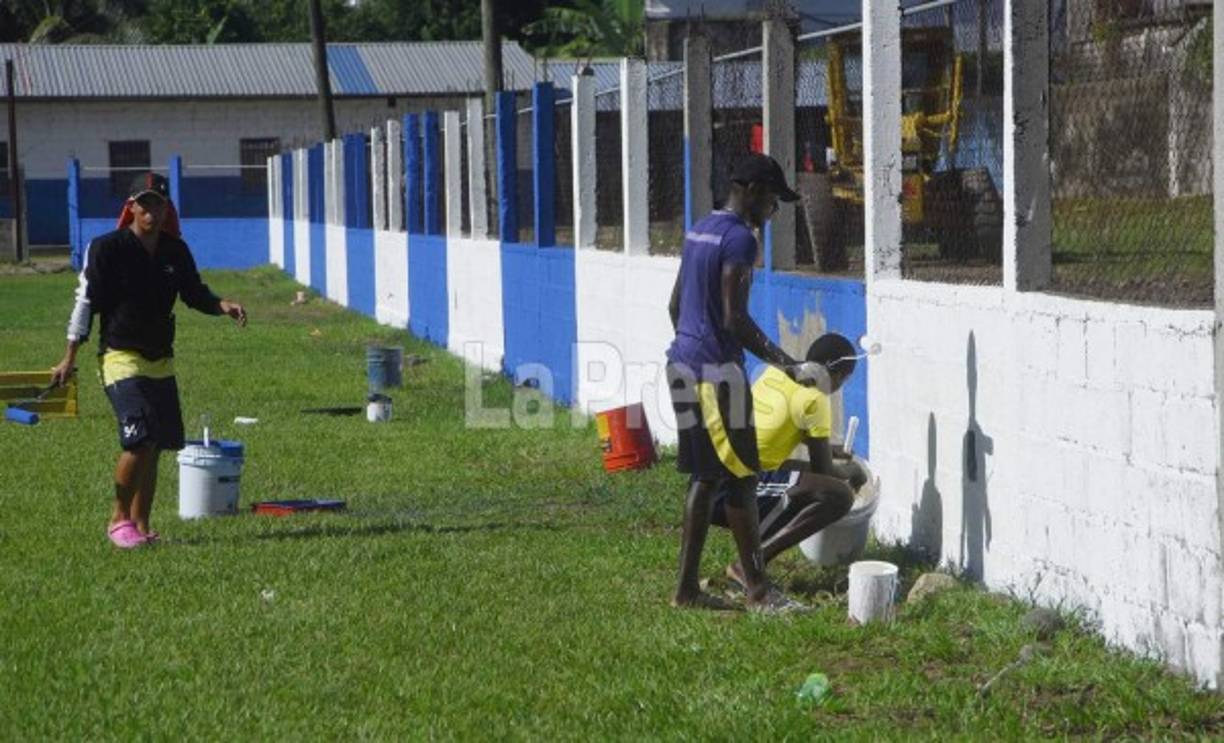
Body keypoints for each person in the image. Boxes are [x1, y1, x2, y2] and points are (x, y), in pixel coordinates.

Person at [50, 172, 247, 549]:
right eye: (144, 204)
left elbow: (193, 293)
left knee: (155, 444)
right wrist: (69, 356)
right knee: (138, 440)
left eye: (158, 204)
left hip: (161, 359)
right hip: (120, 356)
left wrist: (221, 305)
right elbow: (86, 303)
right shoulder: (107, 249)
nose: (151, 212)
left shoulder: (175, 251)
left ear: (166, 208)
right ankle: (118, 520)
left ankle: (140, 525)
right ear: (131, 208)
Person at [666, 153, 824, 612]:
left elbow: (676, 304)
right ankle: (758, 592)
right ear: (752, 192)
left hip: (682, 364)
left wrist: (692, 348)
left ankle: (687, 590)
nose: (774, 213)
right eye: (774, 201)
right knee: (740, 480)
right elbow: (736, 319)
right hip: (715, 375)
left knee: (707, 477)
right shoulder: (739, 240)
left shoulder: (700, 228)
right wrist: (789, 365)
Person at [711, 333, 868, 592]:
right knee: (838, 495)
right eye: (843, 377)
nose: (841, 384)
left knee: (799, 474)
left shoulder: (776, 373)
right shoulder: (816, 398)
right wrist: (851, 472)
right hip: (734, 489)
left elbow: (776, 427)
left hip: (710, 482)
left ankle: (748, 559)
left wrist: (832, 450)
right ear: (833, 371)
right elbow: (824, 471)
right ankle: (750, 564)